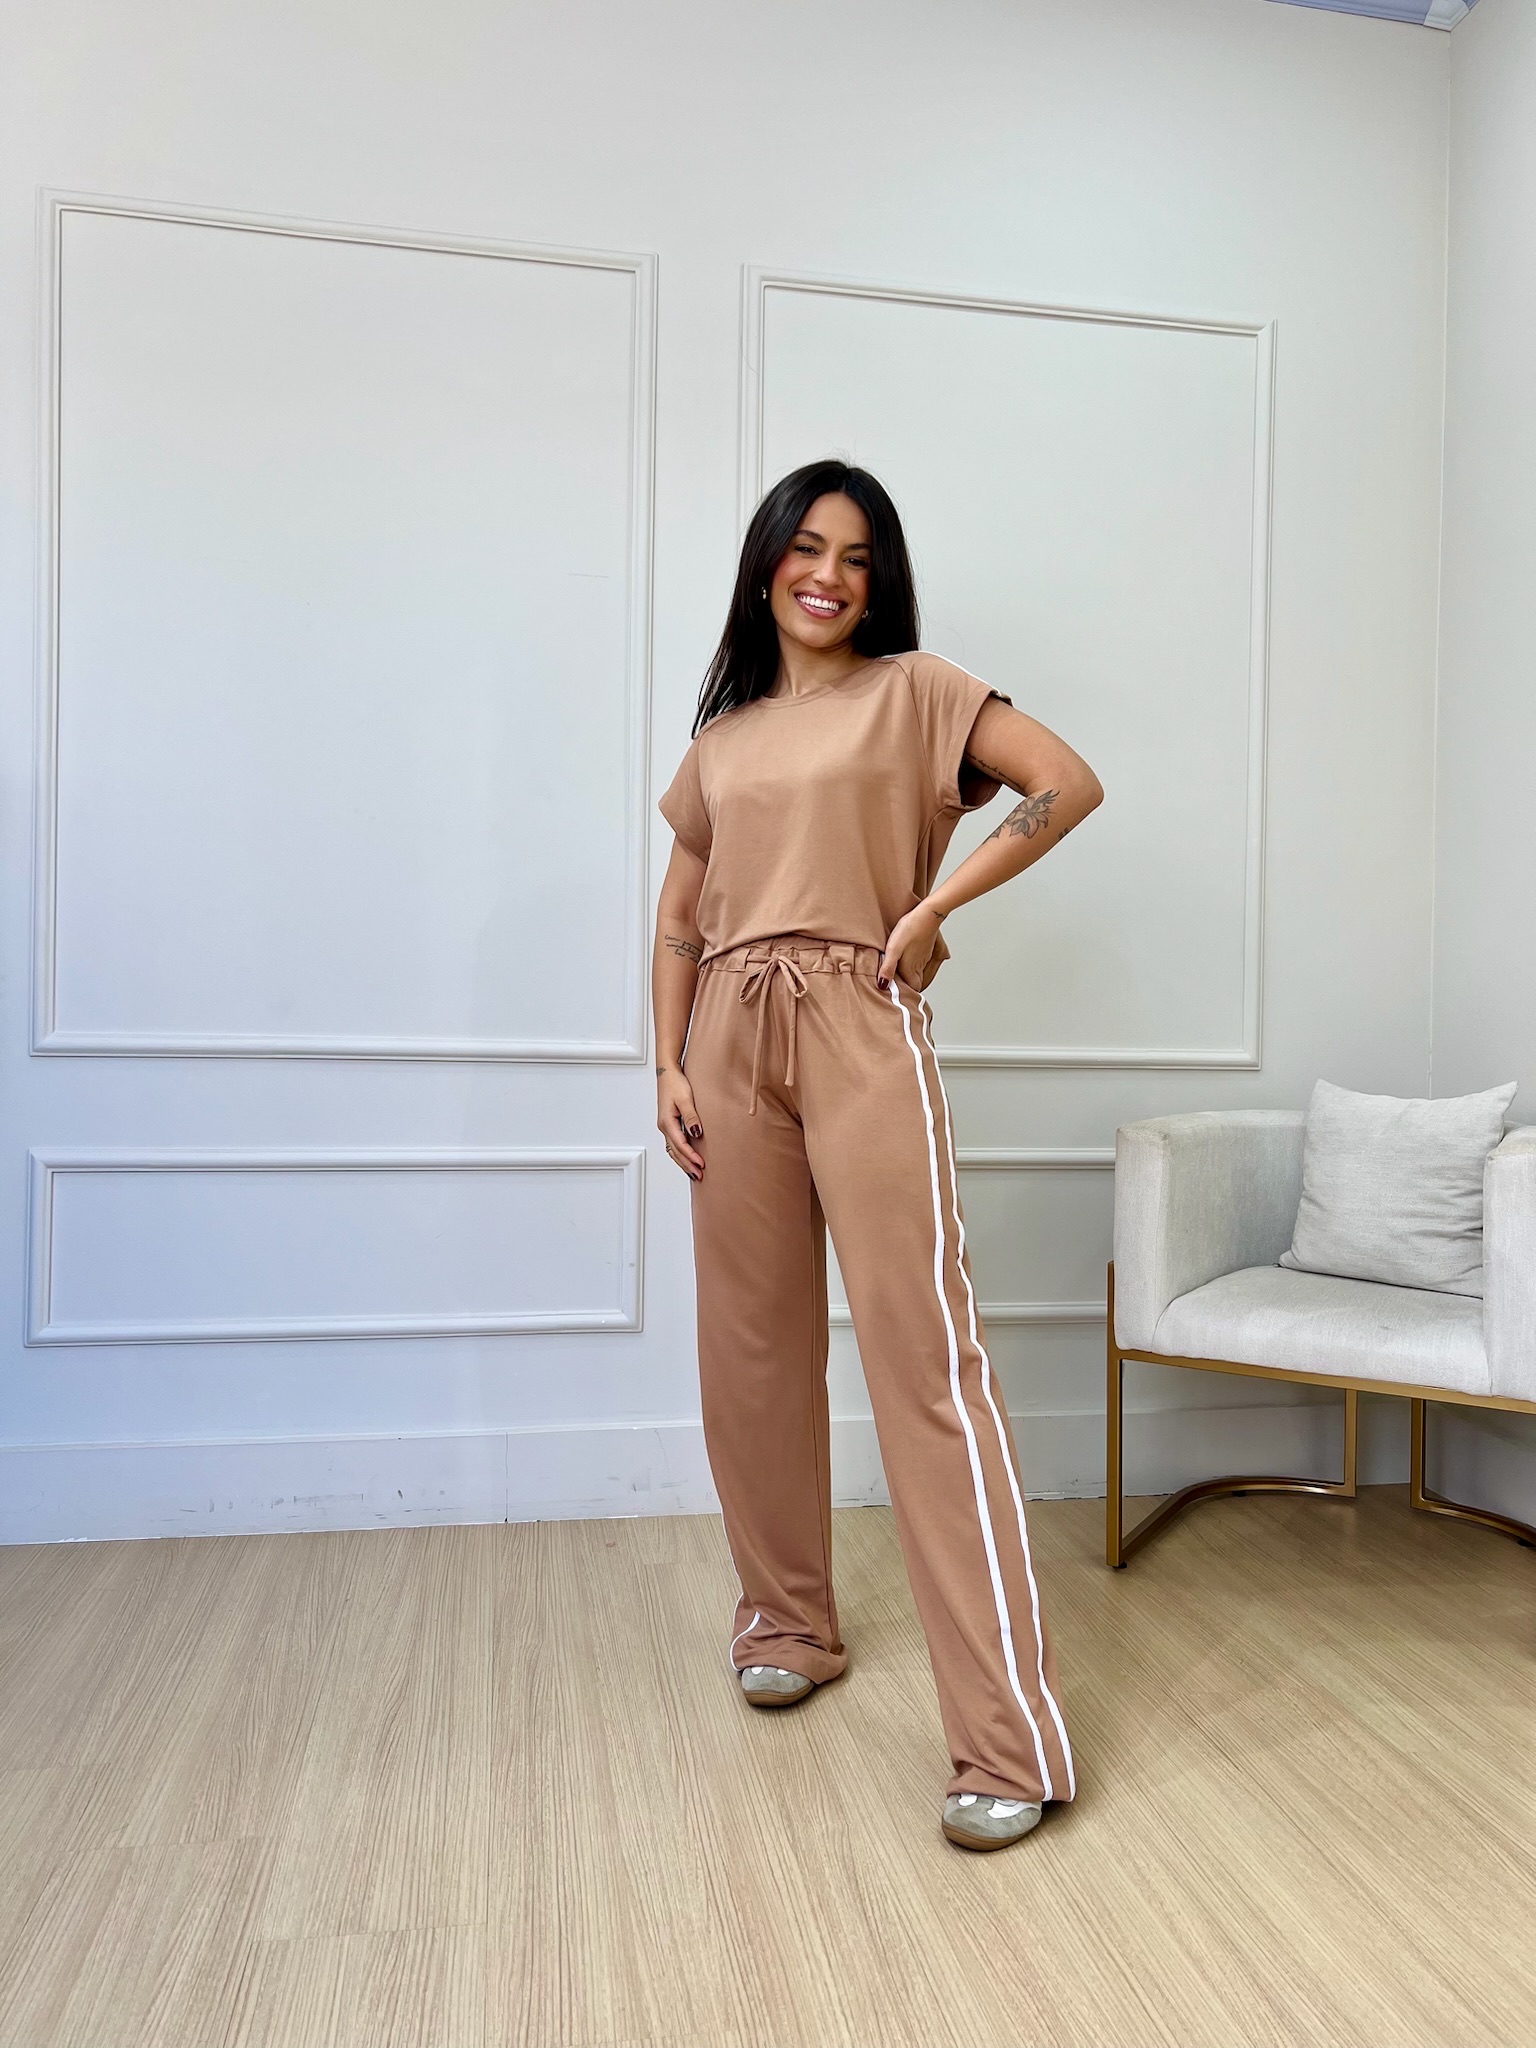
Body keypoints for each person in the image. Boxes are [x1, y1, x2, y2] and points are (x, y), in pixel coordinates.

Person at [652, 459, 1103, 1852]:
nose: (828, 574)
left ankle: (1007, 1740)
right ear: (766, 567)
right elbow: (678, 914)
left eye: (855, 555)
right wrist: (666, 1062)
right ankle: (786, 1621)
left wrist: (932, 908)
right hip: (727, 1035)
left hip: (858, 1014)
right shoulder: (721, 740)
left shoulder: (918, 692)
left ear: (878, 577)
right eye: (806, 547)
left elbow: (1065, 783)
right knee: (751, 1353)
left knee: (925, 1361)